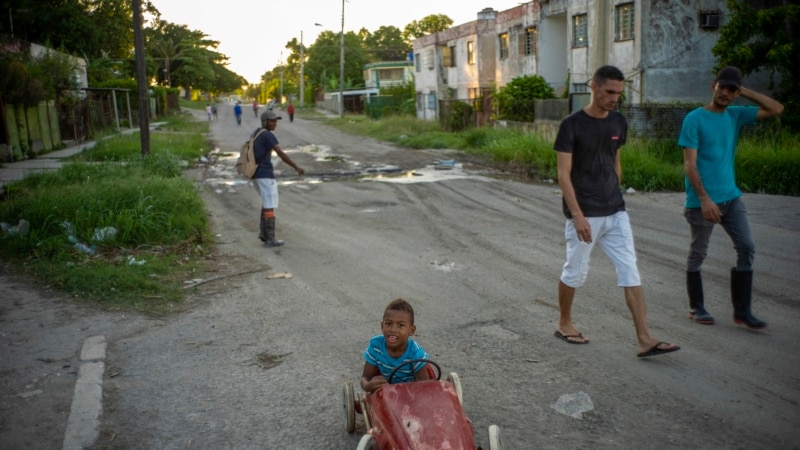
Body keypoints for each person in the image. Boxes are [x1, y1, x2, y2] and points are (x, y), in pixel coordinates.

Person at [553, 65, 680, 358]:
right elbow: (563, 174)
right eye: (610, 92)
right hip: (585, 214)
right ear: (593, 87)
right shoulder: (571, 125)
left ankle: (644, 338)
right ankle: (564, 322)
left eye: (619, 93)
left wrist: (616, 194)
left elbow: (615, 161)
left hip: (616, 211)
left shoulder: (619, 122)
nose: (614, 98)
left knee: (629, 270)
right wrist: (577, 215)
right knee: (575, 271)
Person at [678, 66, 783, 329]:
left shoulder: (736, 115)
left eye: (731, 90)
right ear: (713, 85)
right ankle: (697, 306)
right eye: (722, 87)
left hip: (731, 198)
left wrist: (743, 90)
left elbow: (776, 109)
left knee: (747, 246)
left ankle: (742, 312)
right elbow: (690, 165)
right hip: (701, 201)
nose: (725, 93)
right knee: (698, 253)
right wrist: (704, 199)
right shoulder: (695, 118)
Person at [252, 110, 304, 247]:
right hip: (265, 174)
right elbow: (281, 154)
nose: (275, 123)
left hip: (256, 174)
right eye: (272, 121)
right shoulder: (268, 135)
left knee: (266, 202)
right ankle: (270, 239)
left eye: (276, 121)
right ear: (265, 122)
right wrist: (296, 167)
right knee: (269, 205)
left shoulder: (256, 133)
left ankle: (264, 234)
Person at [361, 299, 431, 394]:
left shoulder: (416, 354)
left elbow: (424, 388)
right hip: (385, 395)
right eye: (388, 324)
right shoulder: (376, 346)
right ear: (382, 326)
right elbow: (365, 378)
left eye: (400, 325)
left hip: (410, 394)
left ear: (411, 330)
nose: (393, 330)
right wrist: (368, 386)